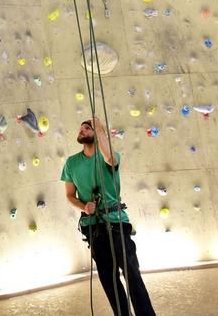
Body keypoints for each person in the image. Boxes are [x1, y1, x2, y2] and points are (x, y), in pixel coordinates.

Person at [62, 117, 156, 316]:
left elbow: (110, 159)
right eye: (81, 129)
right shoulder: (71, 163)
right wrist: (84, 206)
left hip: (115, 222)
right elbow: (70, 195)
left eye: (88, 128)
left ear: (98, 134)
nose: (82, 131)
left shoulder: (111, 156)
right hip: (93, 226)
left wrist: (100, 128)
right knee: (109, 279)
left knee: (131, 272)